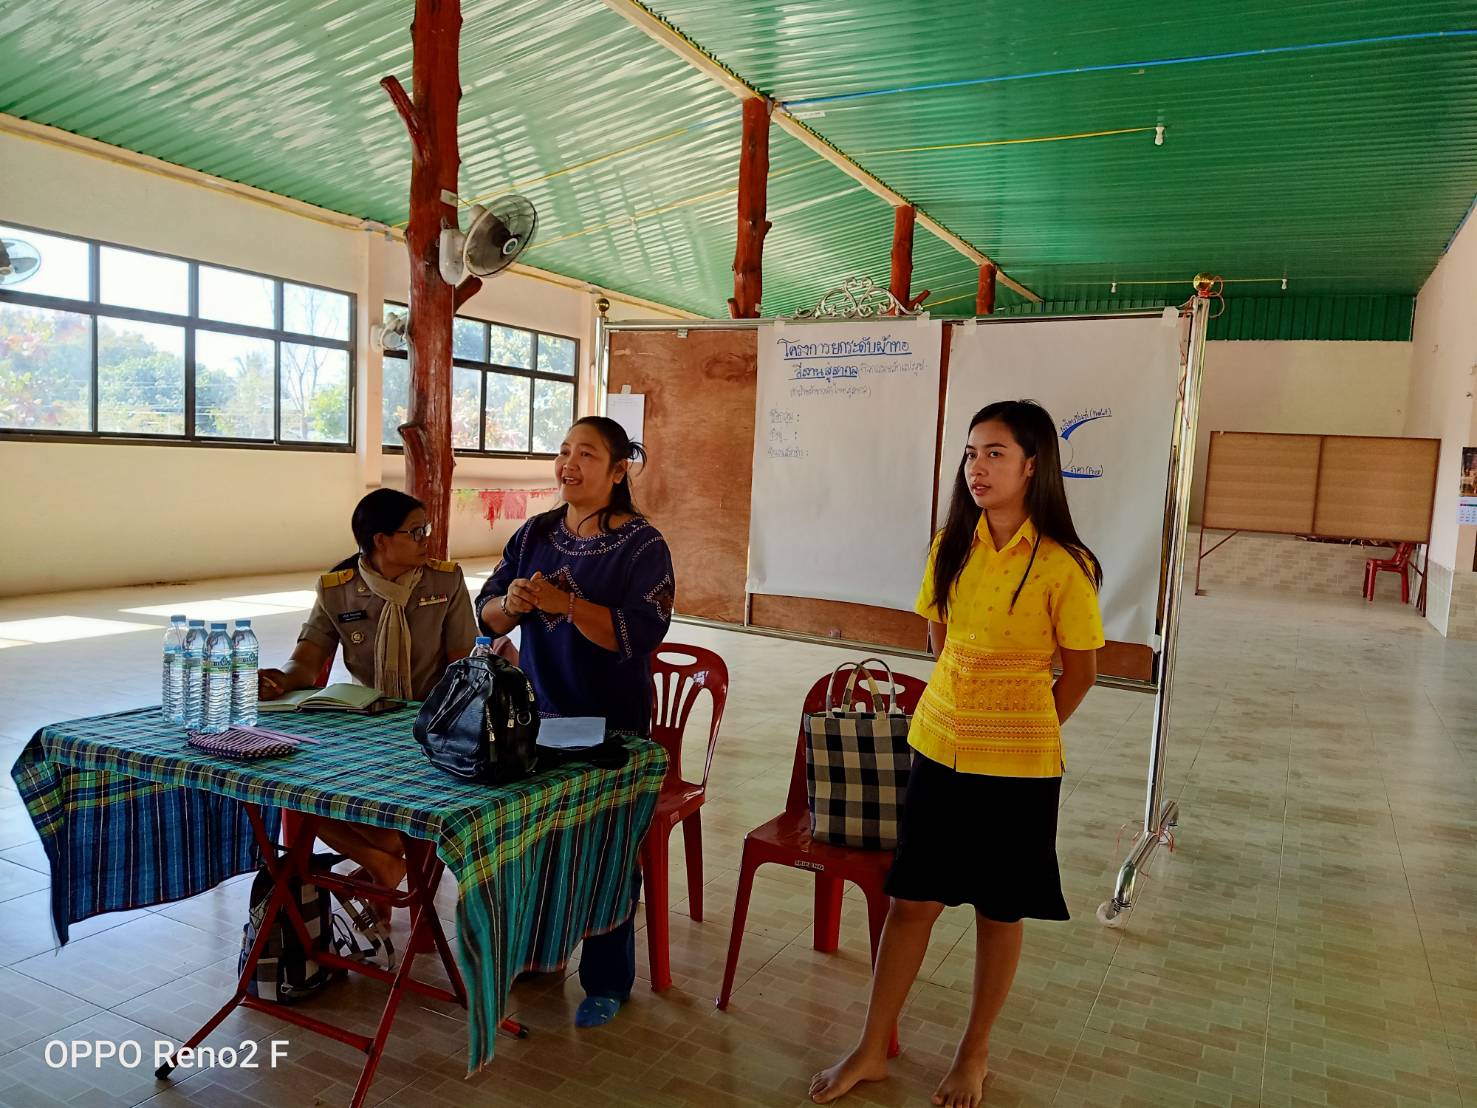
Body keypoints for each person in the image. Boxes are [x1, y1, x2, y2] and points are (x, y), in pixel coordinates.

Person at [810, 400, 1105, 1108]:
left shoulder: (1066, 566)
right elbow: (938, 641)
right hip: (938, 750)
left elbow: (1082, 672)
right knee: (911, 902)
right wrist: (960, 713)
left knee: (1000, 912)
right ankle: (872, 1047)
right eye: (972, 452)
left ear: (1034, 465)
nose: (978, 466)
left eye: (996, 453)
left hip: (1020, 770)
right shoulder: (949, 544)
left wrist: (1025, 728)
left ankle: (974, 1053)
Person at [476, 415, 674, 1028]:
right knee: (534, 839)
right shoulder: (535, 533)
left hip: (610, 727)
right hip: (535, 718)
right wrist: (510, 605)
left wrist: (569, 604)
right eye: (564, 451)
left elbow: (643, 631)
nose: (569, 464)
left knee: (608, 848)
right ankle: (538, 956)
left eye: (586, 454)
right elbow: (485, 614)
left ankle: (607, 978)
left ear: (619, 471)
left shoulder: (644, 546)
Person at [259, 488, 477, 911]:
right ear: (381, 540)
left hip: (432, 724)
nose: (426, 539)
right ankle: (384, 865)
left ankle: (383, 864)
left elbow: (461, 668)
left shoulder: (445, 581)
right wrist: (278, 681)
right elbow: (306, 664)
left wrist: (429, 725)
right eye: (416, 531)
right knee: (300, 796)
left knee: (397, 827)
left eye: (425, 529)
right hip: (366, 721)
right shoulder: (337, 590)